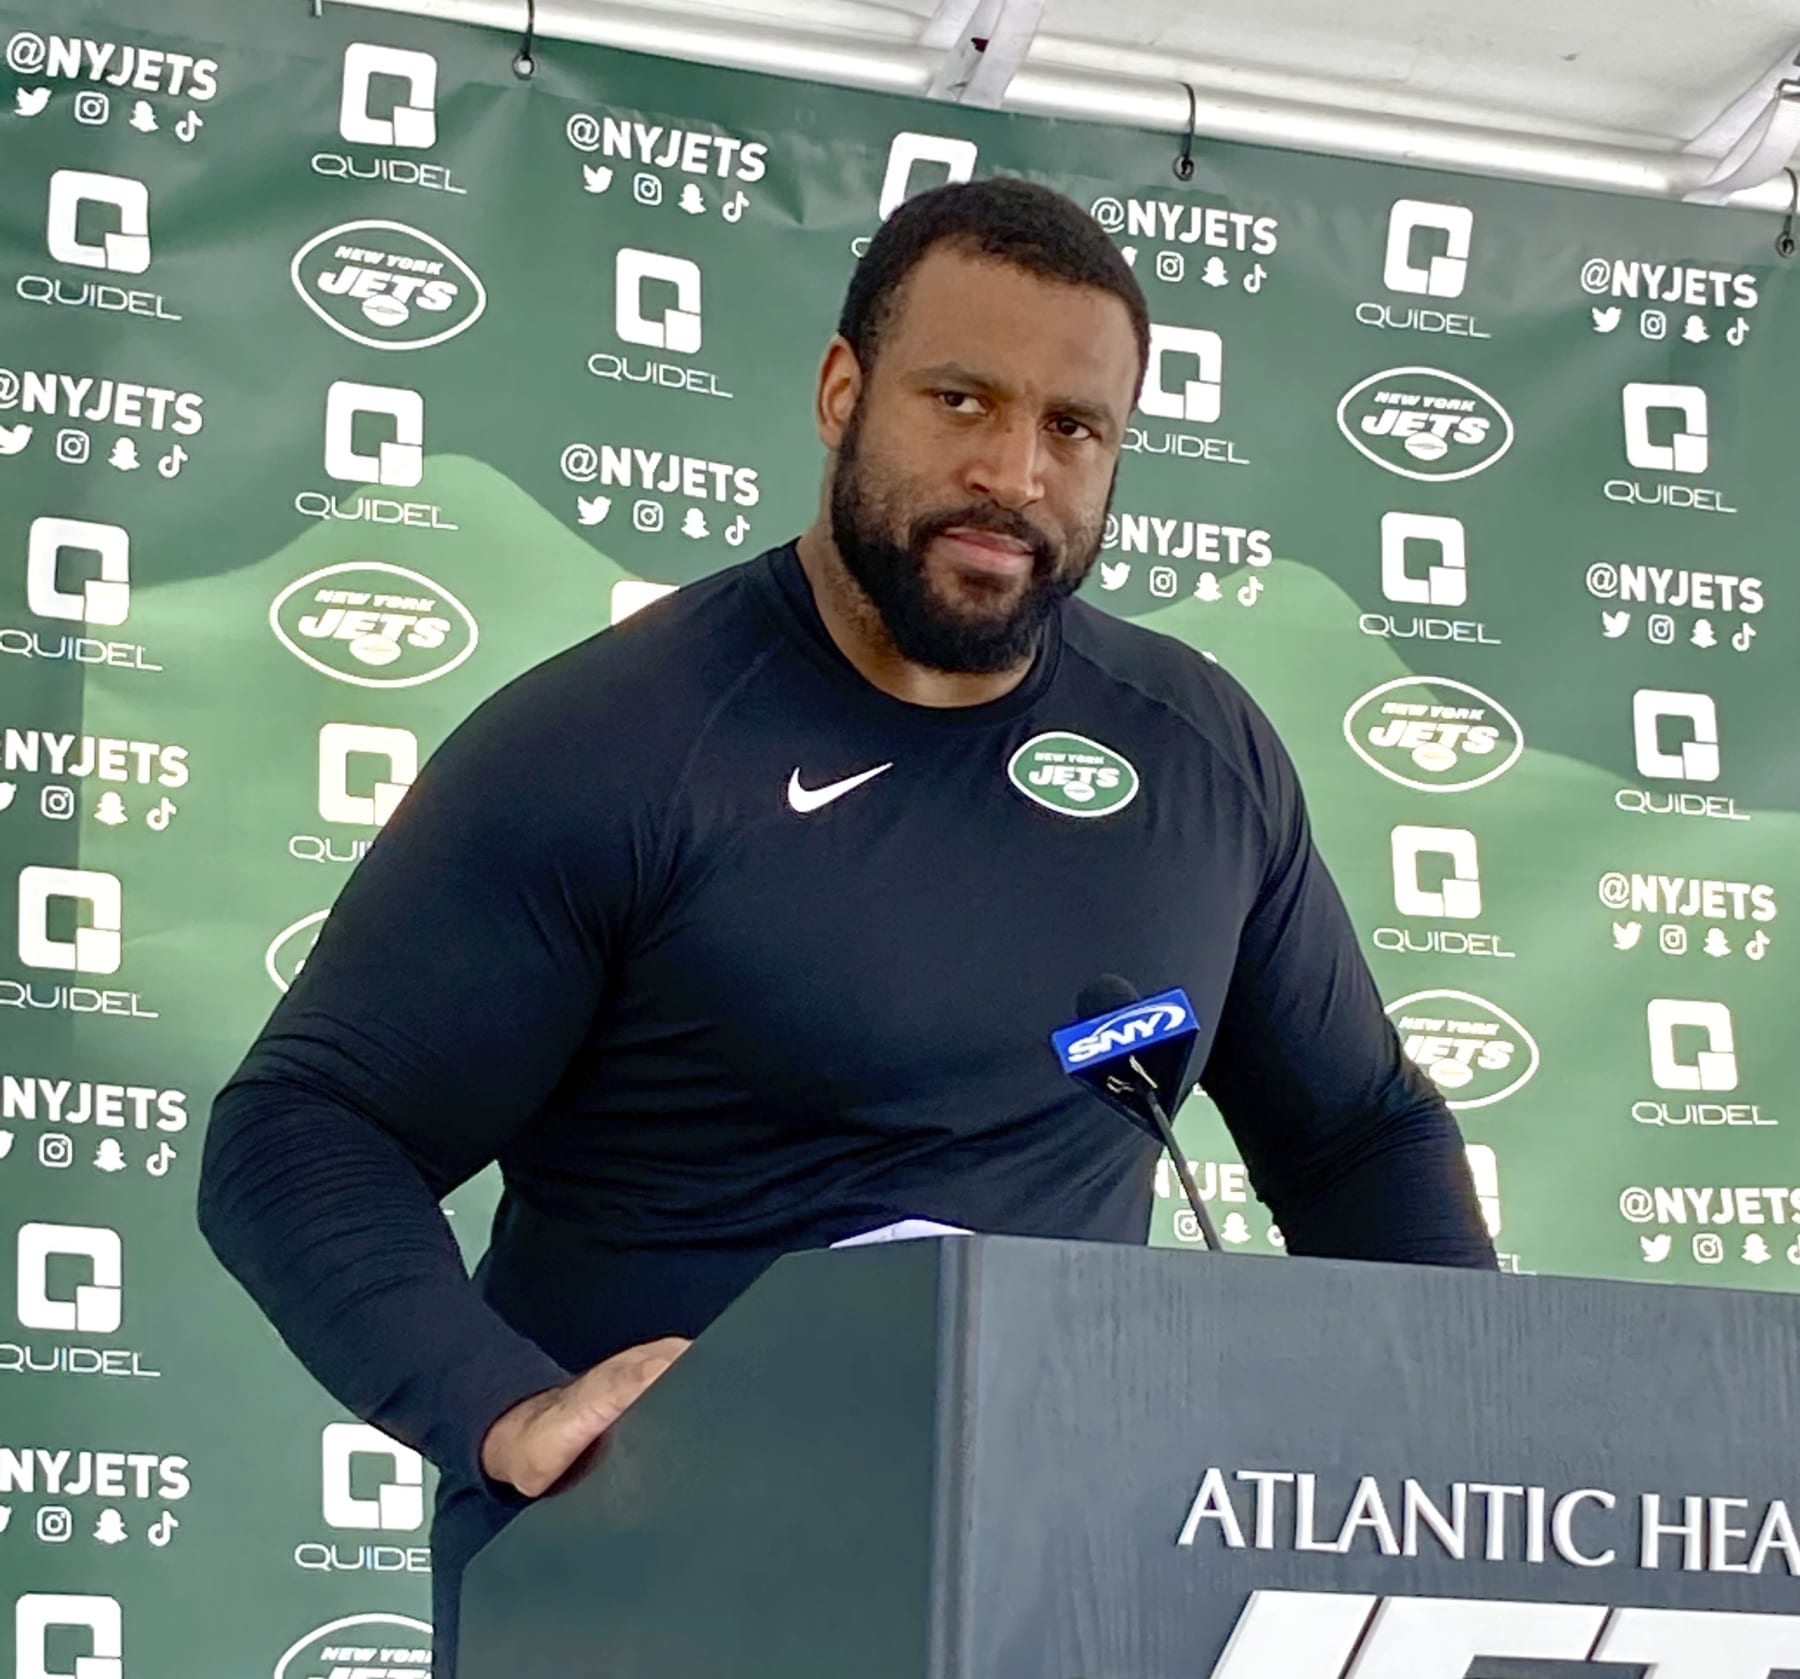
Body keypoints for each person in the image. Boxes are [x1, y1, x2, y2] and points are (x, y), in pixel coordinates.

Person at [198, 175, 1496, 1677]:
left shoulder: (1198, 754)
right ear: (841, 391)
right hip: (652, 1601)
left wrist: (1458, 1448)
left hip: (1056, 1598)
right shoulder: (616, 744)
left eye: (1075, 429)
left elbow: (1358, 1139)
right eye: (962, 400)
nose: (1014, 470)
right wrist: (506, 1407)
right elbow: (304, 1130)